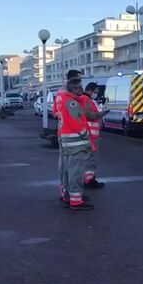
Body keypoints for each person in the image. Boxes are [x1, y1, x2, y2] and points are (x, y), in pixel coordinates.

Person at [57, 75, 94, 210]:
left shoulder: (64, 100)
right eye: (78, 88)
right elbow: (76, 122)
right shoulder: (71, 103)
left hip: (67, 142)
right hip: (75, 143)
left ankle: (69, 196)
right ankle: (76, 201)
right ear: (73, 89)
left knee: (68, 171)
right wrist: (85, 135)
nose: (81, 90)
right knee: (76, 172)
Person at [55, 70, 82, 202]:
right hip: (70, 134)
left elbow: (55, 112)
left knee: (64, 163)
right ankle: (69, 192)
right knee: (70, 166)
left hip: (62, 131)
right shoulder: (68, 95)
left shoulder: (59, 94)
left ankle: (65, 190)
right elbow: (74, 117)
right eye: (79, 79)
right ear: (73, 80)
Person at [82, 82, 107, 189]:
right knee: (90, 159)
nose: (96, 94)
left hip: (92, 134)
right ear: (90, 90)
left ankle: (90, 178)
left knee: (91, 159)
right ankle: (89, 180)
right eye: (95, 92)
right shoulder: (86, 100)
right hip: (89, 134)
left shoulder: (89, 100)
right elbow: (89, 115)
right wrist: (101, 114)